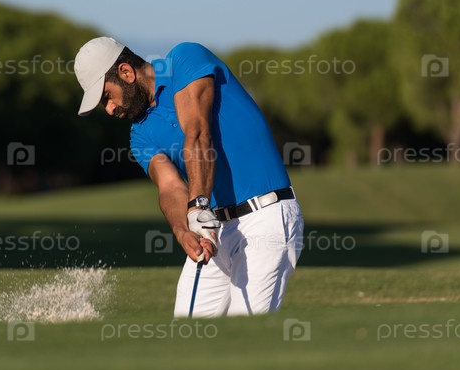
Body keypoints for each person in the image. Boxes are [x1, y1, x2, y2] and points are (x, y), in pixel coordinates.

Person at [74, 37, 304, 317]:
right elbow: (170, 187)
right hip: (213, 228)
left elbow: (197, 131)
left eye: (107, 97)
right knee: (186, 331)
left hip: (265, 218)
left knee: (246, 333)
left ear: (126, 72)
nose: (109, 109)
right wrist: (183, 230)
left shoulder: (184, 59)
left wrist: (198, 206)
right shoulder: (139, 135)